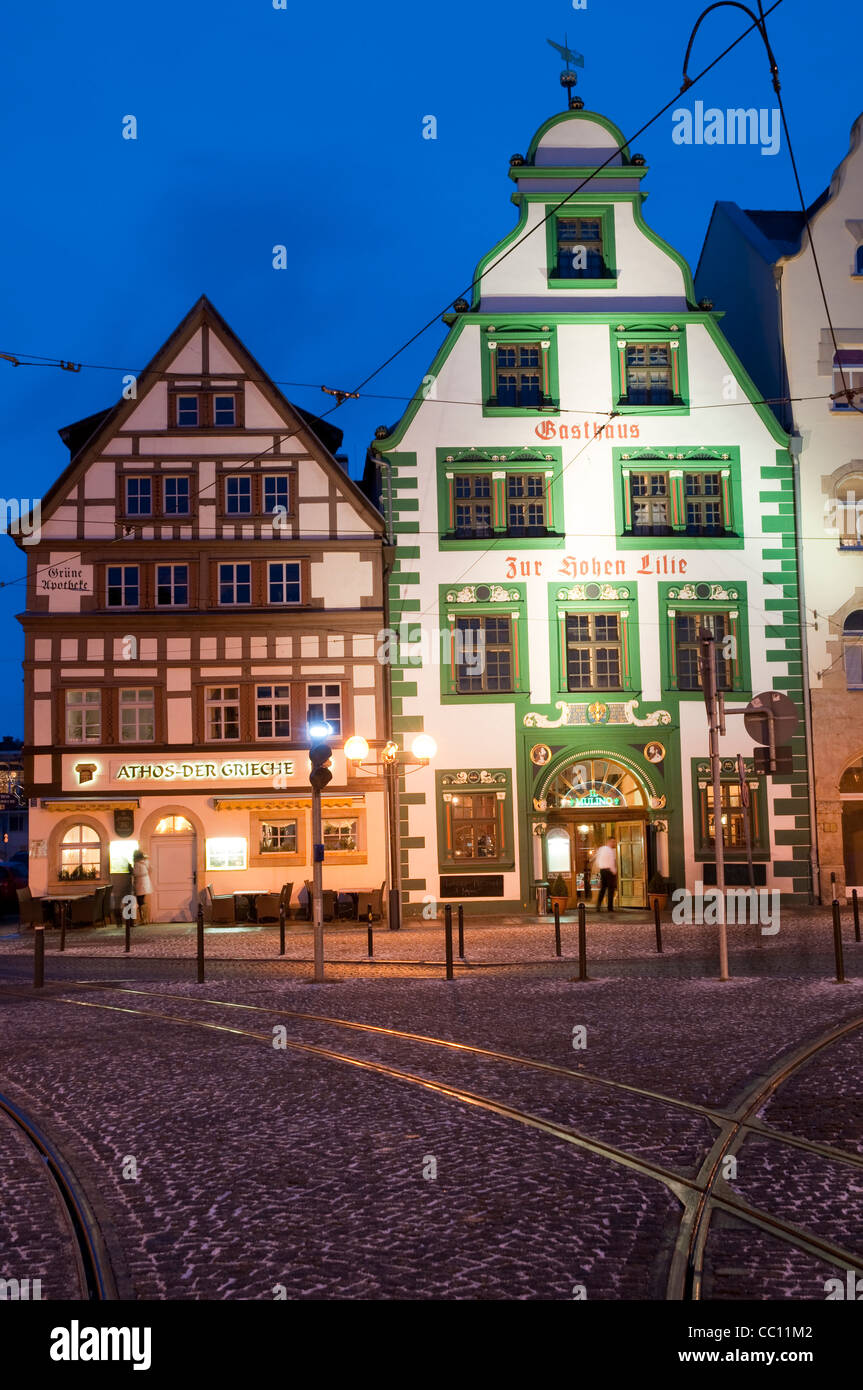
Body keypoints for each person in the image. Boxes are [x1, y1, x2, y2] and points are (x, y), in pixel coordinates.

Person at [592, 837, 618, 912]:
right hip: (609, 871)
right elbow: (611, 862)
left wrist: (600, 867)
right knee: (610, 889)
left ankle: (598, 905)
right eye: (613, 842)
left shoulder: (601, 849)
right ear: (609, 841)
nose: (614, 843)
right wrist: (614, 871)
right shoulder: (610, 851)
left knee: (603, 889)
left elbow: (597, 859)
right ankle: (610, 907)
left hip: (602, 870)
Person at [131, 848, 152, 924]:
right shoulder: (145, 862)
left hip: (140, 883)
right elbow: (150, 869)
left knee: (140, 901)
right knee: (142, 900)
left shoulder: (137, 863)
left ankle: (143, 919)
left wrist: (131, 869)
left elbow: (135, 873)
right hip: (146, 883)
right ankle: (145, 919)